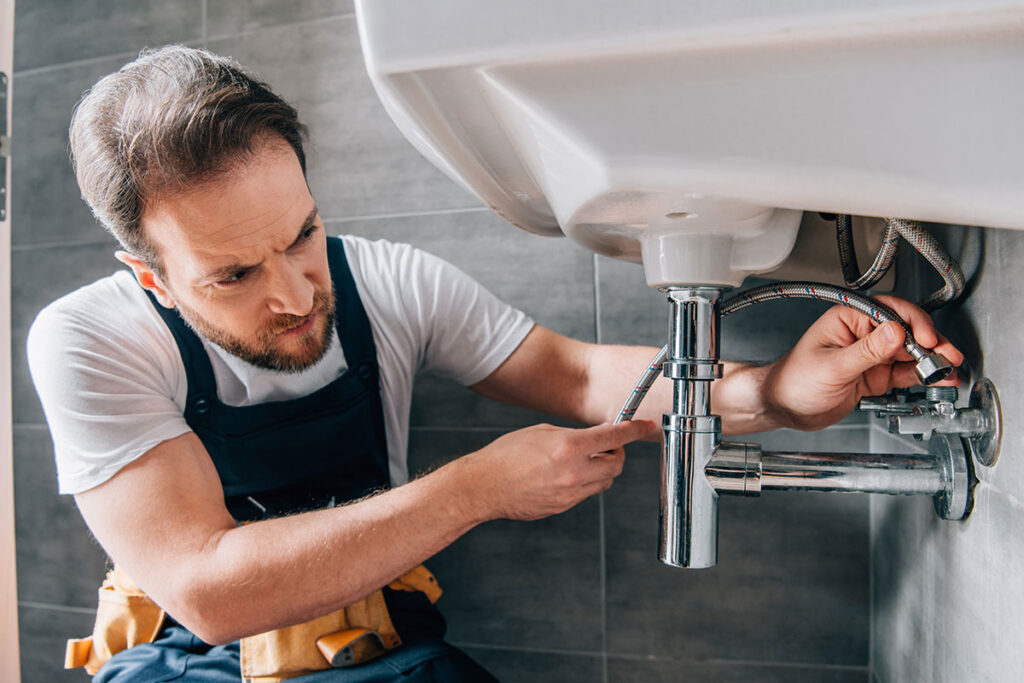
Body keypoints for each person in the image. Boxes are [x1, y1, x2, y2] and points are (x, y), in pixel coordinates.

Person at [27, 45, 962, 683]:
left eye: (302, 233)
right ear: (150, 277)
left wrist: (776, 391)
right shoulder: (89, 340)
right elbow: (208, 587)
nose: (295, 293)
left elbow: (579, 377)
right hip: (187, 661)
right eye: (234, 275)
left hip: (376, 650)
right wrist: (474, 489)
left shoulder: (385, 282)